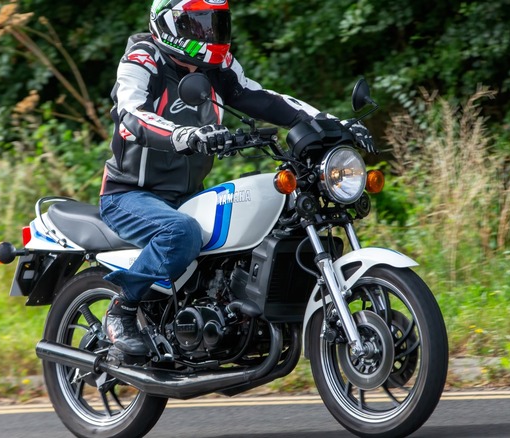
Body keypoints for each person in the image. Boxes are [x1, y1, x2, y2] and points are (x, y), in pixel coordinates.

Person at [100, 0, 375, 360]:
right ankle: (121, 310)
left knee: (273, 214)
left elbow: (266, 99)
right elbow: (131, 115)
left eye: (215, 23)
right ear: (169, 23)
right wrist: (185, 135)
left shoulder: (216, 68)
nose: (209, 33)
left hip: (185, 196)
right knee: (180, 232)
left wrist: (333, 124)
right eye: (198, 24)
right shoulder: (143, 59)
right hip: (129, 195)